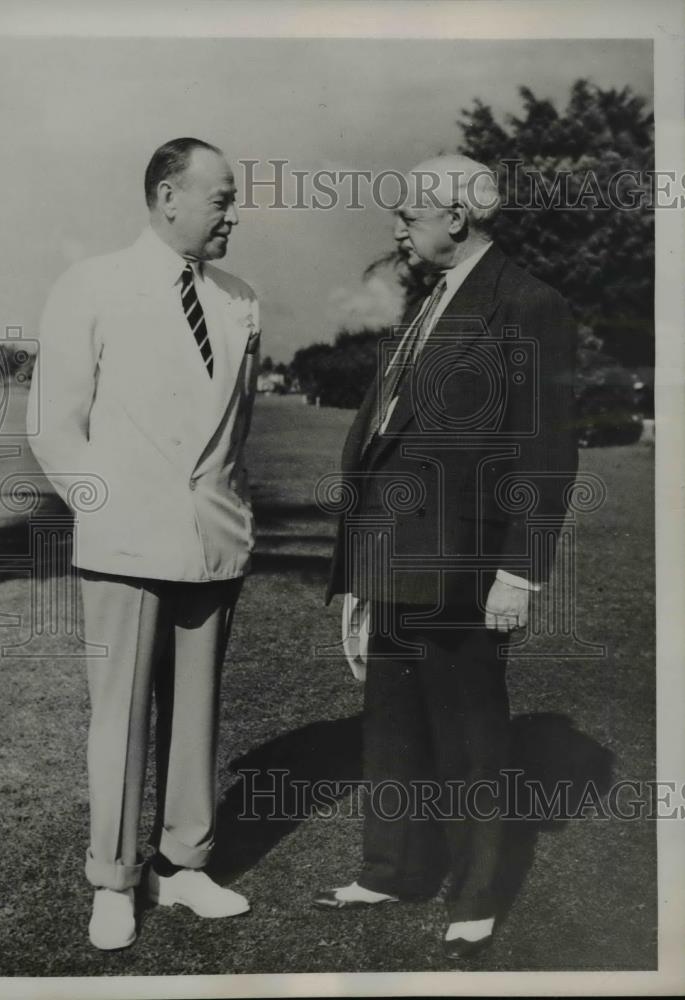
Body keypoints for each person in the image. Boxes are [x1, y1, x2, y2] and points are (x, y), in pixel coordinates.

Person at [315, 154, 579, 960]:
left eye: (408, 214)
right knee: (391, 721)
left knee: (469, 731)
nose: (396, 227)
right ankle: (391, 869)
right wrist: (362, 579)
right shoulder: (432, 298)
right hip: (396, 556)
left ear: (455, 217)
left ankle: (474, 893)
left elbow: (545, 450)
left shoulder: (529, 304)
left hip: (466, 562)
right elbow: (388, 437)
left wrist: (520, 571)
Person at [27, 137, 260, 949]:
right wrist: (105, 512)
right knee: (118, 719)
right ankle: (115, 880)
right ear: (168, 196)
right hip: (124, 544)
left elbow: (237, 435)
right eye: (221, 196)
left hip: (212, 542)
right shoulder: (92, 284)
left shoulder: (238, 299)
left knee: (196, 713)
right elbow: (56, 426)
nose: (233, 212)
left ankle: (184, 864)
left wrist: (231, 513)